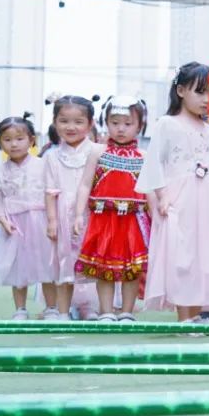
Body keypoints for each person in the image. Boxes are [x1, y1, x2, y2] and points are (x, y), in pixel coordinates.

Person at [137, 63, 209, 323]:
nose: (206, 99)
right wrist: (162, 196)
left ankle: (197, 313)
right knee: (182, 255)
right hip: (180, 199)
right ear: (180, 90)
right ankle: (184, 317)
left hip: (207, 199)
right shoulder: (167, 124)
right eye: (200, 92)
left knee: (205, 256)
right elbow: (154, 162)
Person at [74, 96, 152, 321]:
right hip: (103, 219)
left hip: (134, 221)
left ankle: (127, 312)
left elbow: (151, 191)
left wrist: (158, 218)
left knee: (132, 270)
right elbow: (85, 184)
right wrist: (79, 214)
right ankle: (106, 312)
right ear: (105, 122)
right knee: (102, 267)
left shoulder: (144, 156)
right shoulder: (97, 152)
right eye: (115, 122)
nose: (121, 129)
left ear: (140, 125)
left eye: (128, 124)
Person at [0, 114, 55, 319]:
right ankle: (20, 309)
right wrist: (3, 220)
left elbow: (52, 193)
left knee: (46, 266)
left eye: (19, 138)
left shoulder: (42, 165)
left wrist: (52, 220)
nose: (13, 144)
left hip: (40, 221)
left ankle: (51, 307)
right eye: (7, 139)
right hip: (14, 224)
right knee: (18, 268)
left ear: (31, 140)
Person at [43, 96, 99, 319]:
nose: (71, 127)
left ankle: (91, 307)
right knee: (64, 261)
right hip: (63, 214)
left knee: (93, 260)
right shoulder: (52, 156)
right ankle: (63, 311)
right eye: (64, 121)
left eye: (78, 121)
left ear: (90, 123)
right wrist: (52, 220)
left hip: (92, 214)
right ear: (55, 122)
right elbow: (49, 190)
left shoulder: (97, 151)